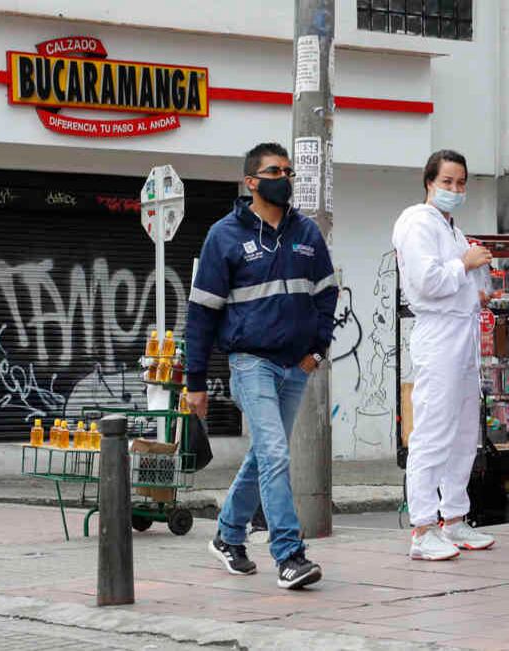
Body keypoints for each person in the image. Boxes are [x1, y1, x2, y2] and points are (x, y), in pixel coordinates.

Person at [185, 142, 337, 587]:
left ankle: (229, 536)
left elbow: (328, 294)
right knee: (274, 453)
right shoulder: (224, 236)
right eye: (274, 171)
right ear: (251, 181)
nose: (284, 178)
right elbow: (201, 314)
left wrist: (318, 350)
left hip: (296, 366)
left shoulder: (307, 233)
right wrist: (196, 383)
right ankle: (289, 554)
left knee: (262, 456)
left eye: (288, 171)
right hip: (251, 363)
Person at [392, 149, 496, 561]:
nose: (455, 189)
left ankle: (454, 518)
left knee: (464, 433)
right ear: (429, 182)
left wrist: (478, 284)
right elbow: (427, 281)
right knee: (433, 432)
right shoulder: (417, 222)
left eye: (460, 182)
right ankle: (422, 527)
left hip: (462, 332)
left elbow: (457, 279)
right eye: (447, 182)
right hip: (438, 334)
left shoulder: (450, 227)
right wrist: (465, 264)